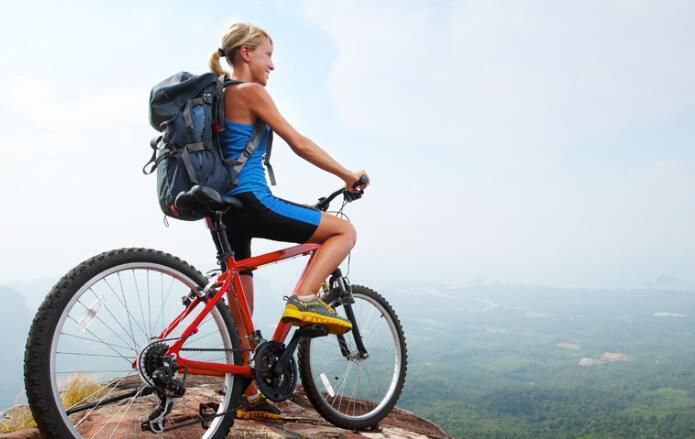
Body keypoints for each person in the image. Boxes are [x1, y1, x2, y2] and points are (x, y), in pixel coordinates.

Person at [208, 23, 369, 420]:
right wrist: (347, 175)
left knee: (241, 302)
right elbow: (300, 144)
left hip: (220, 211)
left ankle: (248, 394)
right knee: (343, 230)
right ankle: (305, 299)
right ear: (246, 53)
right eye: (267, 54)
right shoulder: (250, 93)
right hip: (251, 201)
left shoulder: (215, 96)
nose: (272, 65)